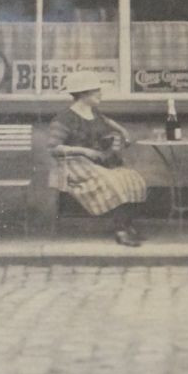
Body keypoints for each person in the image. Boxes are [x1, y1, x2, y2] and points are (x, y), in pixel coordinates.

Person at [47, 71, 149, 247]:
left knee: (132, 178)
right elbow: (53, 148)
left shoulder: (94, 113)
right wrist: (84, 151)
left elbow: (108, 121)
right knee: (113, 181)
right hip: (74, 165)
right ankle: (120, 231)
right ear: (83, 94)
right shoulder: (64, 119)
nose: (100, 94)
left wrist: (123, 131)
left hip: (98, 162)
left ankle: (126, 224)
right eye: (96, 91)